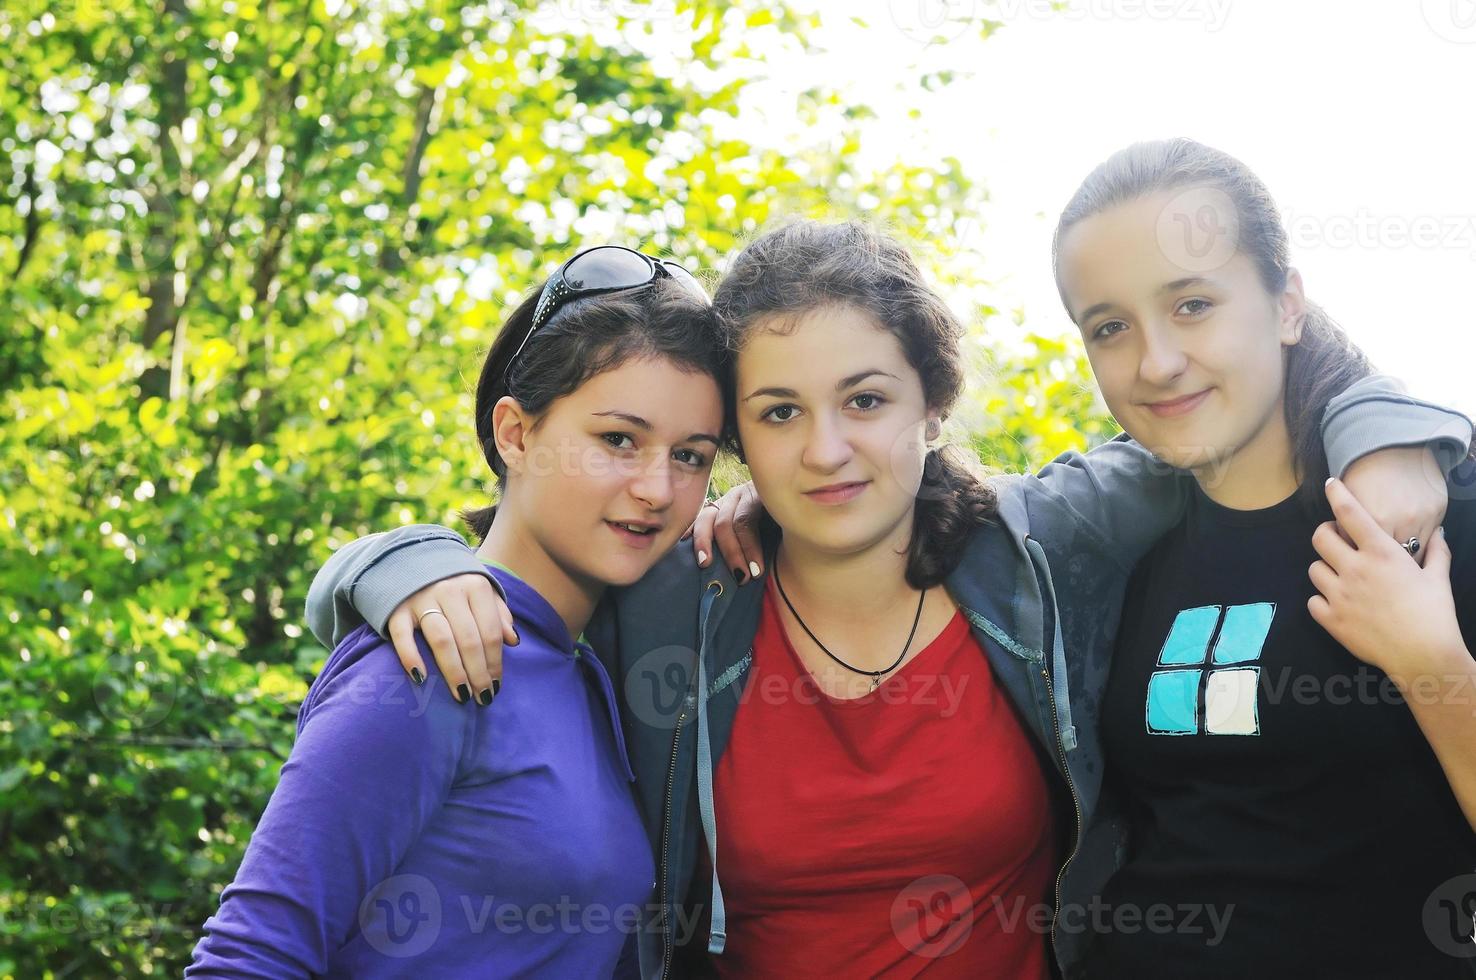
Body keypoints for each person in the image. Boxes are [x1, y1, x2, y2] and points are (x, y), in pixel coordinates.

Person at [301, 220, 1468, 978]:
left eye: (864, 398)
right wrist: (394, 560)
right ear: (736, 437)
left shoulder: (1042, 541)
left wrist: (1392, 431)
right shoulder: (674, 593)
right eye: (777, 413)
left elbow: (1231, 389)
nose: (825, 452)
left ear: (931, 405)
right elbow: (525, 545)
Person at [187, 246, 724, 976]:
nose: (657, 489)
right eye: (618, 440)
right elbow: (249, 958)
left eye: (691, 456)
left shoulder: (596, 668)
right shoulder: (434, 657)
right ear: (516, 433)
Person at [1048, 138, 1476, 978]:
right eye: (1110, 327)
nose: (1156, 362)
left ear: (1288, 305)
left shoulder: (1435, 514)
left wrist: (1431, 664)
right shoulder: (1111, 550)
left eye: (1193, 305)